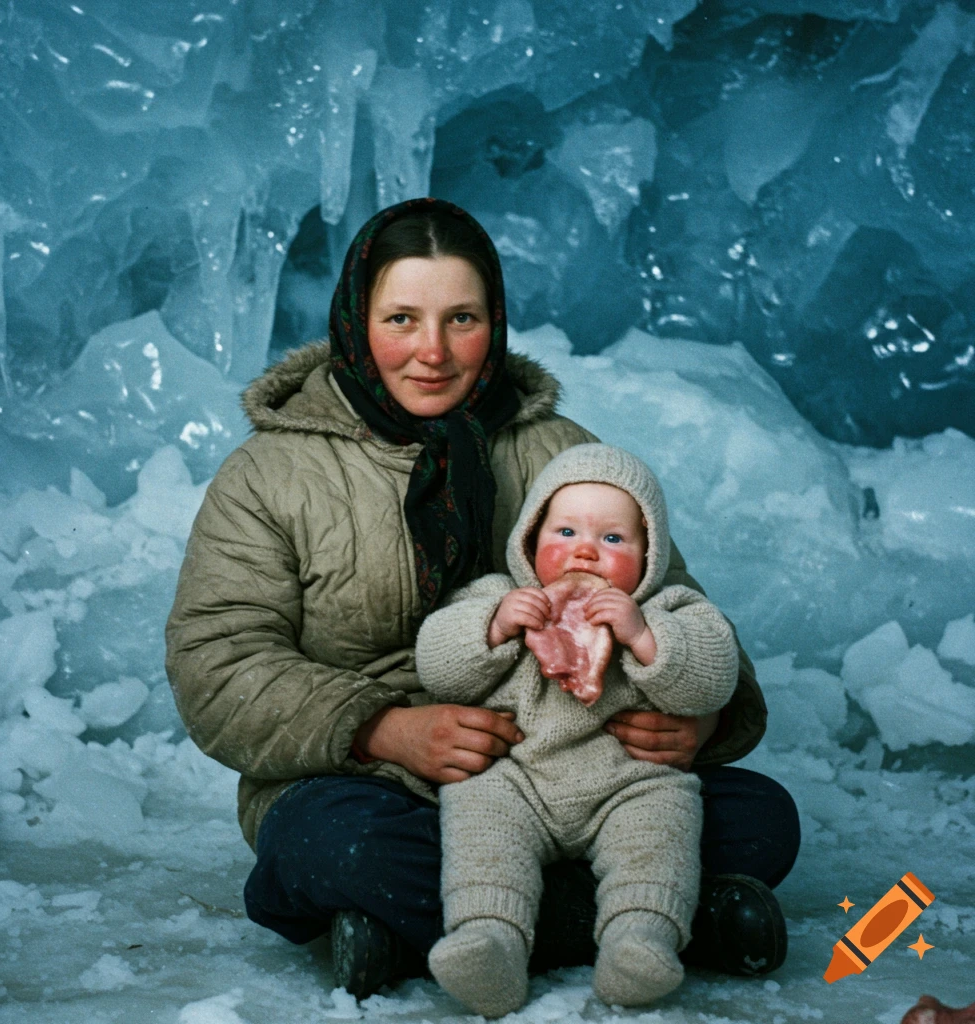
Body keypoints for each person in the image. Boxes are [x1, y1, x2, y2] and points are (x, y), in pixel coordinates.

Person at [164, 197, 799, 999]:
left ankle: (422, 935)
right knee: (330, 846)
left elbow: (681, 607)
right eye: (401, 319)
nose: (432, 352)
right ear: (357, 323)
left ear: (494, 321)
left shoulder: (562, 453)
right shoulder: (270, 474)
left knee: (761, 817)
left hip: (579, 767)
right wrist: (383, 730)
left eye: (460, 319)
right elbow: (216, 664)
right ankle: (664, 920)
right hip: (374, 790)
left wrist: (699, 720)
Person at [418, 443, 740, 1015]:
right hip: (517, 780)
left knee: (663, 825)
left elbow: (713, 680)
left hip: (628, 783)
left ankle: (638, 941)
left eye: (614, 539)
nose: (585, 551)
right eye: (564, 532)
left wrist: (644, 637)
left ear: (651, 553)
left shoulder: (672, 609)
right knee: (477, 817)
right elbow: (437, 668)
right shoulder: (497, 598)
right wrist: (493, 629)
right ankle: (489, 940)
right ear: (529, 540)